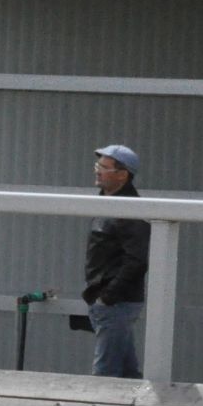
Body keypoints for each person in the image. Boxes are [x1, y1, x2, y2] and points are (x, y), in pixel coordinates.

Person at [82, 144, 149, 378]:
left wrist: (108, 297)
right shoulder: (107, 203)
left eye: (104, 167)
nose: (97, 170)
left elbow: (138, 259)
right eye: (98, 165)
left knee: (104, 373)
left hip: (116, 303)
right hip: (111, 303)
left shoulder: (128, 210)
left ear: (122, 174)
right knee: (127, 372)